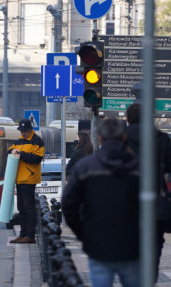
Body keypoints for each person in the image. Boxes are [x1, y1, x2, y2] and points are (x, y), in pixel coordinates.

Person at [62, 118, 140, 287]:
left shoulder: (86, 167)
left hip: (98, 243)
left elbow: (69, 205)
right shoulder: (139, 167)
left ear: (99, 138)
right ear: (124, 137)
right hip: (132, 243)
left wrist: (83, 233)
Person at [124, 103, 171, 282]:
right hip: (153, 201)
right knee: (153, 245)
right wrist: (159, 168)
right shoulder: (159, 137)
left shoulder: (121, 138)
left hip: (125, 202)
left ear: (128, 118)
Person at [9, 118, 44, 244]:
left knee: (29, 208)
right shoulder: (19, 140)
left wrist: (21, 154)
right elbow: (10, 150)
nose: (23, 133)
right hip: (19, 178)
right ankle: (23, 234)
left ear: (30, 130)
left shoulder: (37, 141)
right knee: (21, 208)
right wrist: (13, 151)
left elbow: (37, 158)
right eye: (21, 131)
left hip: (29, 178)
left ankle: (30, 235)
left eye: (25, 131)